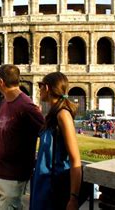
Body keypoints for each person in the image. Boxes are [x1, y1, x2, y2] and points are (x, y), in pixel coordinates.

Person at [0, 65, 44, 210]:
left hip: (14, 177)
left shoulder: (27, 107)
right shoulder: (4, 102)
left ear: (1, 82)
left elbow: (47, 135)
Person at [30, 72, 82, 210]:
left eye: (40, 85)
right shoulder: (53, 113)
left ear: (47, 88)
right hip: (44, 184)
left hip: (54, 186)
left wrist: (73, 198)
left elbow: (75, 159)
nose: (38, 89)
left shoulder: (63, 115)